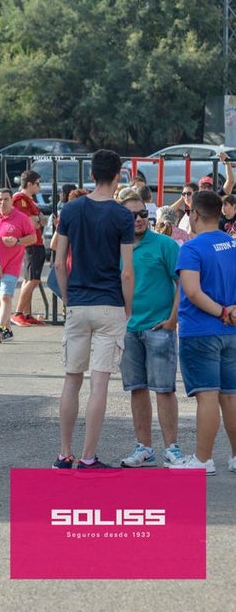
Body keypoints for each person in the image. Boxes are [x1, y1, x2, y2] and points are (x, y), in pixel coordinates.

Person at [52, 149, 135, 469]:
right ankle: (88, 457)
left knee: (71, 379)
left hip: (78, 303)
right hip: (110, 304)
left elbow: (59, 262)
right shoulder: (122, 216)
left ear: (90, 175)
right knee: (99, 384)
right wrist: (127, 308)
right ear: (118, 176)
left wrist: (67, 298)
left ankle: (64, 453)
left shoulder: (70, 210)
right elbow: (126, 271)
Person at [111, 189, 184, 468]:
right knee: (137, 389)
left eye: (144, 214)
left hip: (159, 328)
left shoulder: (165, 245)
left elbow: (181, 284)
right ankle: (144, 448)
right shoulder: (114, 246)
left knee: (164, 389)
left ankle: (172, 449)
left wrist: (173, 319)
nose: (140, 219)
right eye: (132, 215)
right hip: (128, 329)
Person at [170, 189, 236, 474]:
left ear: (194, 214)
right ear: (220, 212)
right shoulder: (233, 244)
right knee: (231, 395)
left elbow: (192, 292)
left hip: (201, 331)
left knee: (207, 396)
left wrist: (221, 312)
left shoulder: (191, 249)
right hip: (232, 331)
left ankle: (202, 459)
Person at [0, 189, 36, 344]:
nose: (2, 203)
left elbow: (32, 237)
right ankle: (8, 330)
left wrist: (17, 241)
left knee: (6, 296)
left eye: (5, 199)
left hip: (12, 264)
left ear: (12, 201)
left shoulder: (21, 218)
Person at [10, 170, 48, 327]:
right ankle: (18, 313)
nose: (39, 186)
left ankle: (26, 313)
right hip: (32, 244)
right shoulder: (20, 199)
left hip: (36, 242)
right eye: (38, 183)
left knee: (30, 278)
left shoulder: (30, 201)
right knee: (33, 279)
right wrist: (38, 220)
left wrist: (38, 220)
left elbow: (43, 221)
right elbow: (29, 222)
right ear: (30, 184)